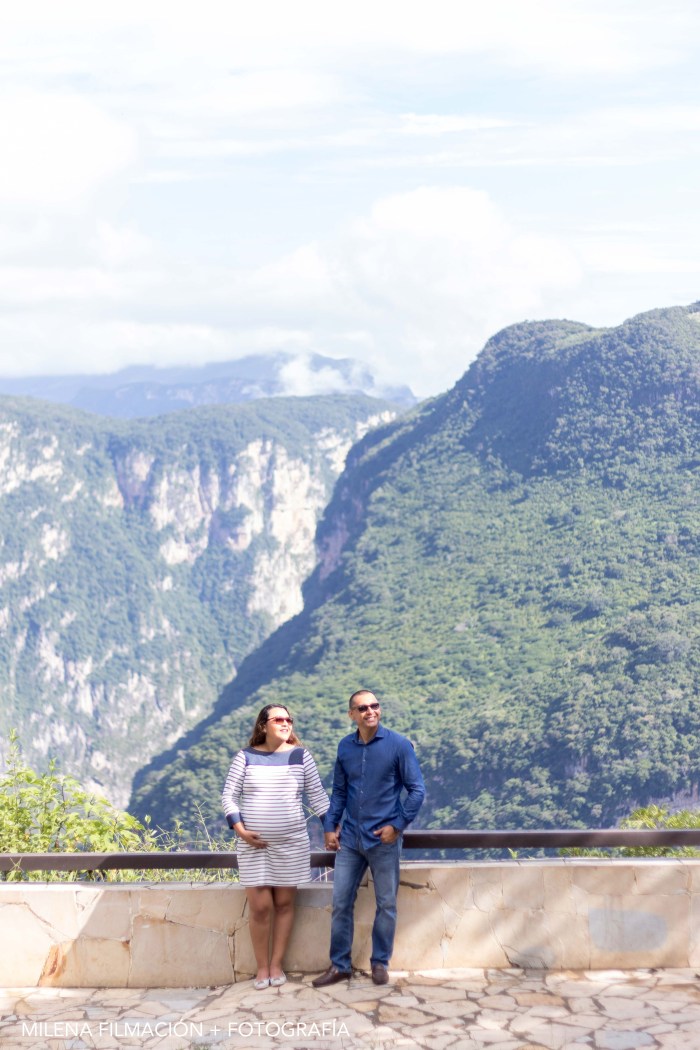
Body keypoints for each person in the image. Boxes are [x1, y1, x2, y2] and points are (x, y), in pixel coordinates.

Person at [312, 689, 425, 988]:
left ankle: (379, 963)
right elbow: (338, 791)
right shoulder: (345, 747)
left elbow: (417, 791)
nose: (370, 711)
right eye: (362, 708)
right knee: (340, 903)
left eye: (374, 706)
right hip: (349, 839)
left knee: (386, 904)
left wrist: (397, 826)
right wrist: (329, 826)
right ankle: (340, 966)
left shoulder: (399, 745)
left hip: (383, 841)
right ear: (352, 715)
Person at [222, 703, 330, 989]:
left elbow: (318, 797)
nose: (285, 723)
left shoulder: (300, 756)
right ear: (263, 725)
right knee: (260, 907)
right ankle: (260, 968)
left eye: (289, 719)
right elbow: (229, 797)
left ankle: (275, 965)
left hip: (292, 844)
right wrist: (241, 831)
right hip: (253, 847)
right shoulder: (244, 757)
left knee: (283, 904)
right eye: (278, 719)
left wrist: (331, 828)